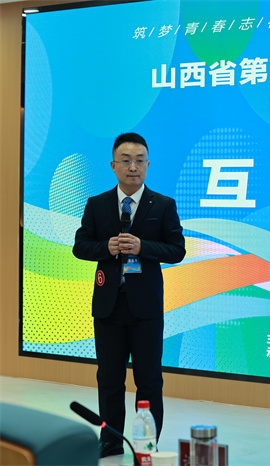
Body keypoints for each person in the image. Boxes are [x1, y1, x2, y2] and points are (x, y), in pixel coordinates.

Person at [73, 132, 186, 458]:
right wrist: (105, 247)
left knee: (149, 380)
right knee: (109, 378)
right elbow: (80, 246)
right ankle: (110, 441)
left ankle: (145, 444)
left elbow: (177, 250)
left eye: (139, 161)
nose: (133, 167)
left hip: (146, 308)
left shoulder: (162, 205)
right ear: (113, 165)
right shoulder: (97, 204)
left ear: (148, 164)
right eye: (126, 160)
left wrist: (142, 247)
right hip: (108, 306)